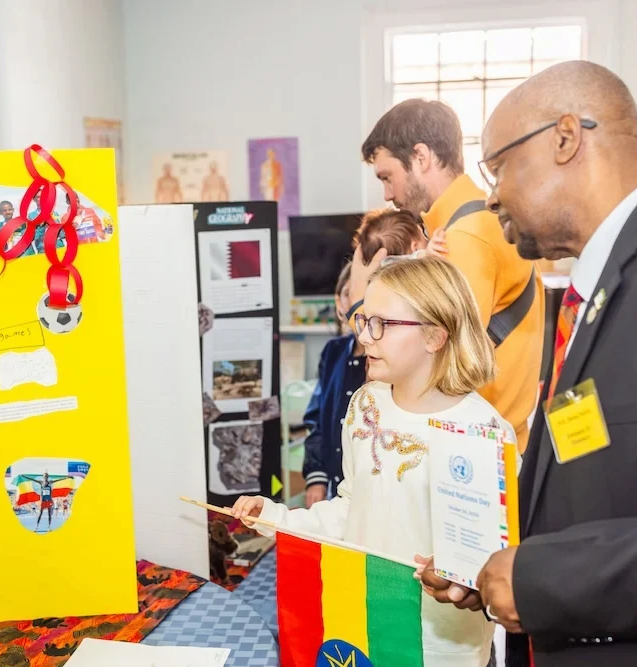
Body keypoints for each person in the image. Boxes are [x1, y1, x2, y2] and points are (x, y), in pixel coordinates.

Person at [420, 60, 637, 667]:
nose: (491, 195)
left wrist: (544, 581)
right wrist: (494, 572)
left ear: (566, 137)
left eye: (499, 166)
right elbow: (594, 471)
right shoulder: (586, 292)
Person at [233, 257, 515, 667]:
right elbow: (351, 508)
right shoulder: (367, 405)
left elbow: (496, 561)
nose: (364, 338)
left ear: (436, 335)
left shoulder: (484, 432)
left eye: (380, 324)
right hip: (364, 625)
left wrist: (463, 572)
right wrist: (277, 516)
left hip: (441, 647)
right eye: (363, 320)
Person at [355, 99, 544, 449]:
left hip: (472, 454)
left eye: (387, 176)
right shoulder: (472, 225)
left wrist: (359, 302)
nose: (386, 194)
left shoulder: (465, 238)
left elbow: (444, 364)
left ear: (421, 157)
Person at [301, 262, 366, 507]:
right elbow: (316, 418)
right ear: (340, 302)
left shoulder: (385, 360)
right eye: (350, 293)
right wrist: (316, 476)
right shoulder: (333, 352)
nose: (359, 301)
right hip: (333, 488)